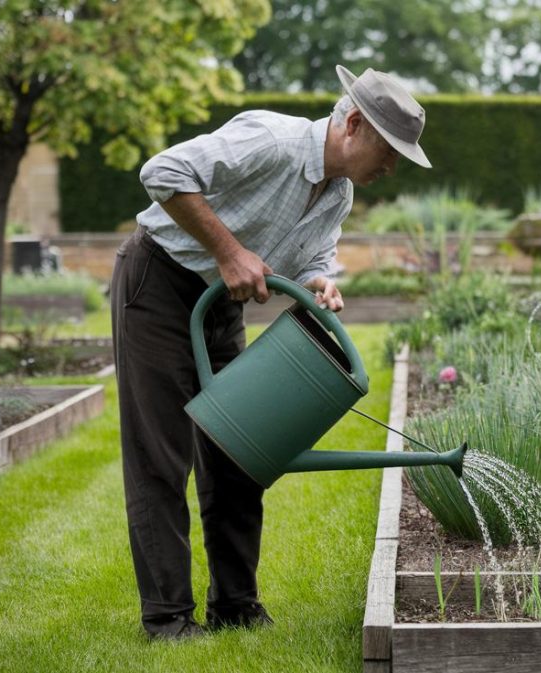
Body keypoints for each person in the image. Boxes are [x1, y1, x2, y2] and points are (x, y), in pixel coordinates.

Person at [111, 65, 431, 640]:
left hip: (219, 303)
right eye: (390, 152)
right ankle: (168, 619)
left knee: (238, 449)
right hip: (158, 285)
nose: (392, 167)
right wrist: (230, 252)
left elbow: (312, 257)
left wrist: (319, 282)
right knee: (160, 454)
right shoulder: (272, 139)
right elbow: (161, 171)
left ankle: (235, 605)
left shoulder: (339, 192)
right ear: (354, 124)